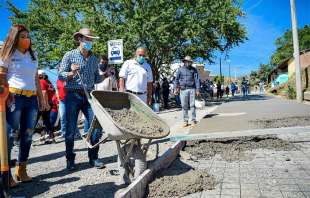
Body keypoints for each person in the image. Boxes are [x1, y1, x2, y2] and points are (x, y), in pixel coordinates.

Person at [0, 24, 45, 186]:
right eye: (22, 36)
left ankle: (22, 169)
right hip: (14, 98)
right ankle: (5, 174)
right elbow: (2, 75)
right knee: (10, 135)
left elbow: (35, 79)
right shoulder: (8, 54)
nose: (26, 39)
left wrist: (42, 98)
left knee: (27, 134)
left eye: (28, 36)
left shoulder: (34, 55)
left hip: (31, 99)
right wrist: (7, 94)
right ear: (14, 38)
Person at [58, 28, 104, 170]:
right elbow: (61, 75)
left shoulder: (94, 59)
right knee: (71, 129)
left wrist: (106, 74)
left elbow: (96, 78)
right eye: (86, 39)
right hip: (72, 95)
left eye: (90, 39)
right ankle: (70, 160)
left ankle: (93, 158)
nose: (89, 42)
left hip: (88, 95)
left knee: (96, 126)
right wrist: (72, 72)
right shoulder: (69, 55)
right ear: (79, 39)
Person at [174, 56, 200, 127]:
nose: (188, 63)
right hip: (183, 90)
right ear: (184, 62)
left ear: (191, 62)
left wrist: (198, 89)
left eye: (189, 62)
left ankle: (193, 120)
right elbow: (176, 80)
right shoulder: (180, 70)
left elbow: (197, 80)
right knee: (184, 106)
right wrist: (175, 88)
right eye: (186, 61)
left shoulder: (194, 70)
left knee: (192, 105)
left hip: (192, 89)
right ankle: (185, 121)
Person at [37, 70, 55, 143]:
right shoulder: (48, 82)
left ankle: (22, 139)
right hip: (49, 103)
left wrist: (45, 104)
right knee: (47, 121)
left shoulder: (41, 81)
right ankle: (51, 137)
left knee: (34, 121)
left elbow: (44, 92)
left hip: (43, 104)